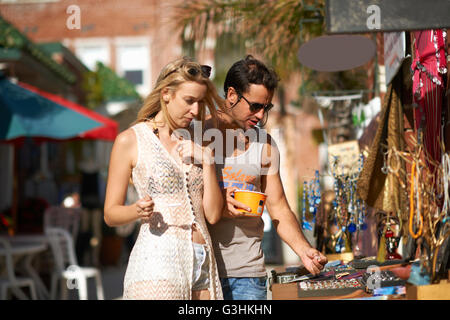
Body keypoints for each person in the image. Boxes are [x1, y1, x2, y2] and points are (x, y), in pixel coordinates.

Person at [206, 55, 328, 300]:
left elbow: (279, 208)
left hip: (247, 276)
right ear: (232, 95)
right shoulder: (195, 135)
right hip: (200, 272)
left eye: (267, 108)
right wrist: (218, 204)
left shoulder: (265, 146)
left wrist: (305, 251)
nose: (261, 116)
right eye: (255, 106)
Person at [104, 57, 224, 300]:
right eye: (189, 101)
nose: (196, 110)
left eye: (200, 102)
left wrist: (208, 162)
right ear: (166, 94)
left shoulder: (199, 140)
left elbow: (212, 215)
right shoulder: (131, 140)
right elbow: (110, 214)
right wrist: (137, 210)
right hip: (157, 264)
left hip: (203, 264)